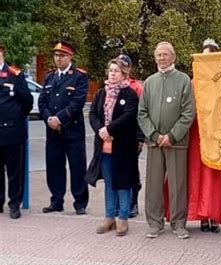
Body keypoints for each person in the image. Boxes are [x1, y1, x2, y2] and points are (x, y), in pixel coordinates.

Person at [138, 41, 195, 239]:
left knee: (178, 184)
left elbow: (188, 112)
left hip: (177, 143)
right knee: (153, 184)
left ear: (173, 57)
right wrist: (154, 135)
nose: (161, 58)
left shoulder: (183, 80)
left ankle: (179, 223)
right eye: (158, 55)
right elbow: (142, 113)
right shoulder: (150, 82)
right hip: (154, 143)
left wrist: (172, 136)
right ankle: (154, 223)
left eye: (165, 54)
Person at [85, 57, 139, 236]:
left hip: (123, 146)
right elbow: (93, 114)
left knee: (123, 183)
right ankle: (109, 217)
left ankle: (123, 218)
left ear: (124, 74)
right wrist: (100, 129)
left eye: (116, 71)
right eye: (111, 70)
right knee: (109, 183)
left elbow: (129, 116)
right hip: (104, 146)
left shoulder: (130, 94)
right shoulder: (101, 93)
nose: (113, 73)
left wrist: (110, 129)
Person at [187, 39, 221, 233]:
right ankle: (201, 214)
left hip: (217, 133)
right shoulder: (193, 82)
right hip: (197, 133)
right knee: (197, 173)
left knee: (216, 174)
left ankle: (215, 214)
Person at [38, 40, 89, 215]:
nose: (58, 59)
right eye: (56, 55)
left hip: (72, 130)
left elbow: (77, 103)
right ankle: (56, 200)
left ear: (70, 57)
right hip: (52, 131)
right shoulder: (49, 76)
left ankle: (80, 202)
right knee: (54, 166)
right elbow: (42, 101)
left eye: (62, 56)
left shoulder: (79, 76)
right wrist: (48, 118)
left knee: (77, 167)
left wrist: (59, 119)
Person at [0, 42, 33, 219]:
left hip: (12, 131)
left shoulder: (15, 74)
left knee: (14, 171)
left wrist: (15, 117)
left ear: (2, 53)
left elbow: (27, 101)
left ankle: (14, 204)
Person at [116, 54, 143, 219]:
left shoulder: (136, 88)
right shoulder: (110, 87)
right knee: (117, 170)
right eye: (119, 66)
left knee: (132, 171)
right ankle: (119, 204)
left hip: (131, 137)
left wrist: (140, 138)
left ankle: (133, 203)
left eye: (124, 66)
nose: (122, 69)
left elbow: (141, 114)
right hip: (115, 137)